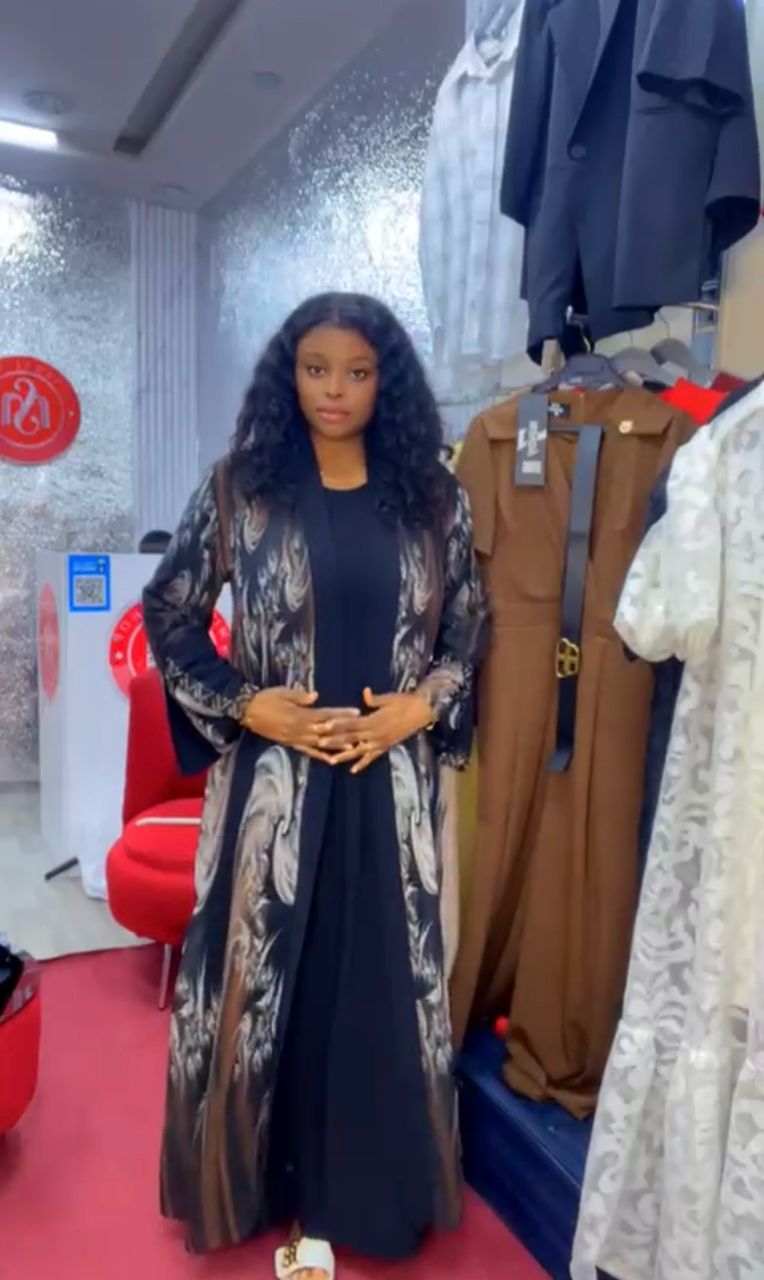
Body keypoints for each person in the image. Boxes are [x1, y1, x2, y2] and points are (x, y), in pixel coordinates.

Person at [142, 292, 487, 1279]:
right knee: (261, 982)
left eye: (358, 372)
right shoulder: (240, 488)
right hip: (272, 795)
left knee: (377, 986)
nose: (335, 390)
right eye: (316, 368)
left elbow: (467, 626)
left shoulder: (433, 497)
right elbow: (170, 611)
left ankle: (368, 1196)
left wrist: (421, 706)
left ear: (387, 382)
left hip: (389, 785)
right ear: (287, 376)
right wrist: (249, 704)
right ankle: (253, 1183)